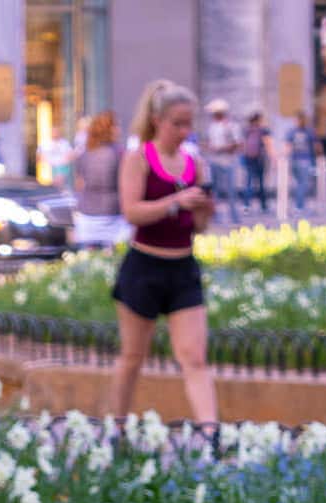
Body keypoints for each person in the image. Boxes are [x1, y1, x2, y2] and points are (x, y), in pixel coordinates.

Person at [111, 79, 216, 424]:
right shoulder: (138, 158)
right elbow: (131, 212)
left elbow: (198, 226)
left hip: (182, 268)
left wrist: (203, 210)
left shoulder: (193, 163)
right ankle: (116, 428)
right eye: (178, 123)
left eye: (189, 123)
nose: (185, 131)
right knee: (132, 357)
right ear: (158, 120)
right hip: (144, 266)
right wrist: (174, 203)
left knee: (194, 356)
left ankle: (209, 433)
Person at [73, 110, 125, 247]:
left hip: (87, 215)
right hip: (113, 215)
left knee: (88, 264)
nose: (119, 129)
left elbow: (79, 183)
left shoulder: (85, 152)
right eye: (115, 126)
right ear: (108, 129)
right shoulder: (119, 153)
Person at [203, 97, 241, 225]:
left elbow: (237, 144)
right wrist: (209, 147)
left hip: (228, 161)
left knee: (231, 191)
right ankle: (216, 217)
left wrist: (220, 148)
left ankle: (234, 218)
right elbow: (207, 142)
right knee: (216, 191)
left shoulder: (231, 126)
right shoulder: (212, 127)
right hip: (214, 161)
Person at [240, 110, 270, 214]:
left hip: (248, 158)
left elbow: (242, 145)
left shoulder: (246, 130)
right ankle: (263, 206)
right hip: (259, 159)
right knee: (261, 183)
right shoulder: (263, 130)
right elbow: (267, 144)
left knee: (248, 182)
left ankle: (246, 205)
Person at [287, 110, 316, 212]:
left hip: (294, 160)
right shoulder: (309, 131)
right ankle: (299, 206)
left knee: (298, 184)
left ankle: (298, 205)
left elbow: (288, 147)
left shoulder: (292, 131)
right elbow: (317, 146)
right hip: (305, 160)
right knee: (302, 184)